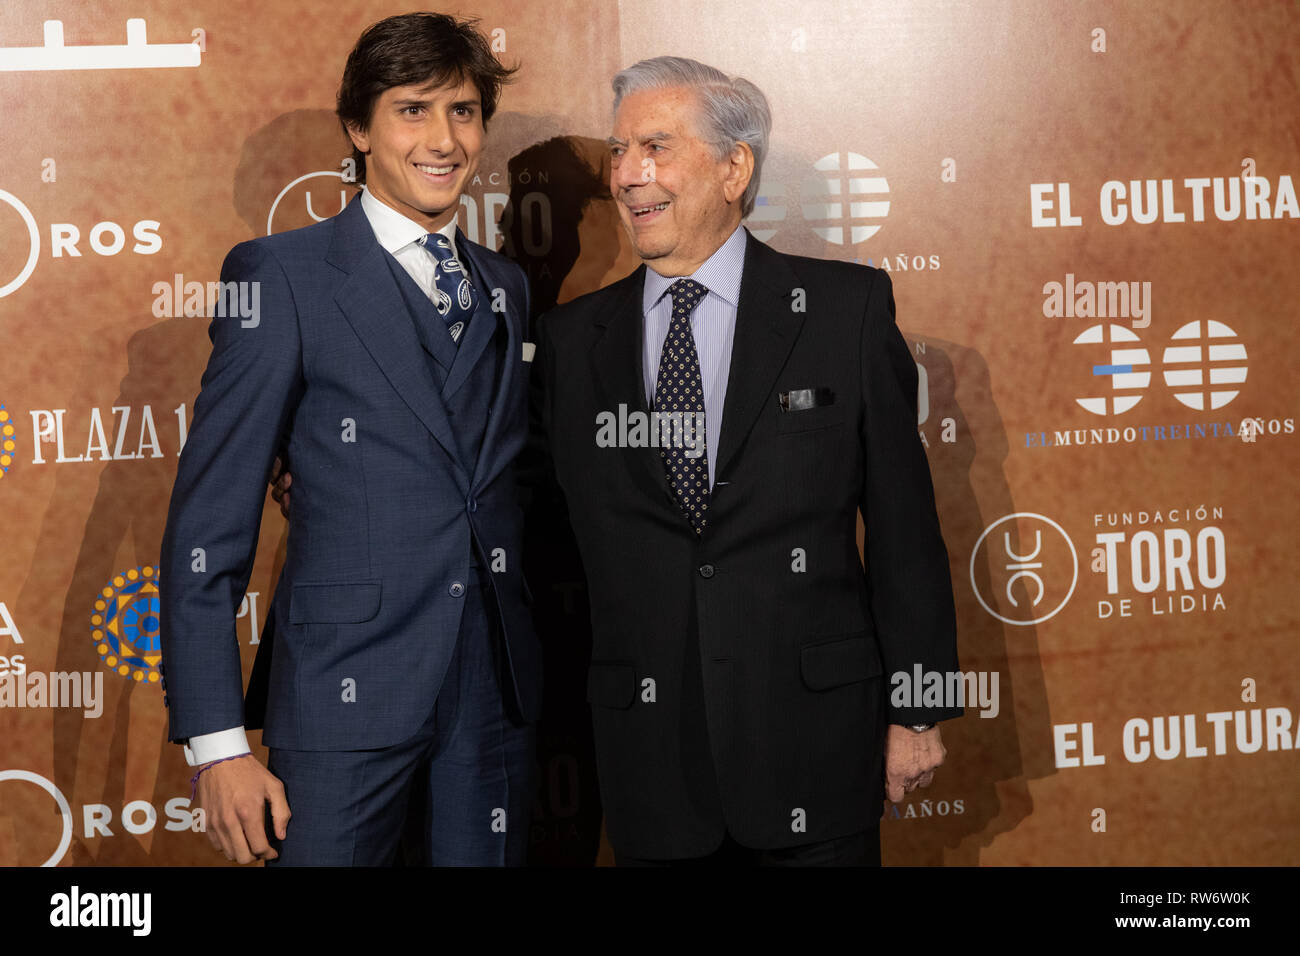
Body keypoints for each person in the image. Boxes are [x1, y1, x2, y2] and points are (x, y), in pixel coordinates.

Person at [526, 56, 962, 865]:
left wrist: (918, 709)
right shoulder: (569, 341)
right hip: (648, 759)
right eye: (619, 153)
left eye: (655, 146)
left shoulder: (844, 312)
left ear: (734, 168)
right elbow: (533, 524)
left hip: (818, 742)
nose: (627, 175)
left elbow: (905, 528)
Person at [158, 12, 539, 866]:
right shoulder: (281, 276)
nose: (444, 140)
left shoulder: (506, 286)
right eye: (413, 110)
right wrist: (217, 743)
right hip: (342, 693)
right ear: (359, 129)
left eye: (465, 112)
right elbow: (206, 527)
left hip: (490, 704)